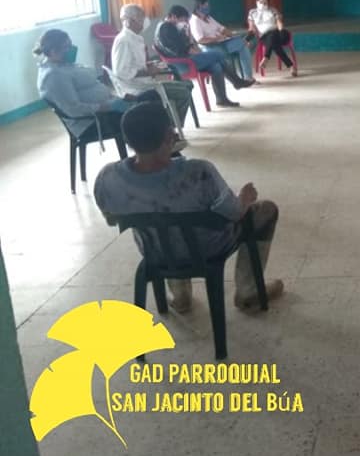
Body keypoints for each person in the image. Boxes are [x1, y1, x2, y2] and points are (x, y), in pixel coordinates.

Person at [94, 102, 285, 313]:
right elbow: (235, 213)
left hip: (155, 251)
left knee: (165, 229)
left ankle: (180, 295)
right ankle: (249, 291)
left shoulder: (108, 178)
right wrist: (244, 198)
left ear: (128, 140)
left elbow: (111, 219)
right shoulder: (198, 172)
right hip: (208, 248)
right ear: (170, 136)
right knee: (266, 210)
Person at [35, 28, 134, 140]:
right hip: (91, 122)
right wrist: (108, 106)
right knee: (139, 116)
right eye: (67, 47)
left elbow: (91, 84)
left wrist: (115, 98)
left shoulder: (64, 64)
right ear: (53, 51)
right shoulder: (54, 76)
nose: (71, 49)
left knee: (146, 99)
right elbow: (74, 109)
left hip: (104, 110)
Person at [112, 4, 194, 127]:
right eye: (141, 17)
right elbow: (121, 71)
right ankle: (169, 128)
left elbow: (134, 63)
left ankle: (168, 122)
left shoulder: (135, 38)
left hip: (147, 79)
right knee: (183, 93)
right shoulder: (124, 40)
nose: (144, 21)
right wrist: (147, 71)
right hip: (137, 86)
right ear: (129, 21)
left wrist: (149, 65)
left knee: (187, 84)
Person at [156, 5, 254, 108]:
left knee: (216, 67)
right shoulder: (167, 28)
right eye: (182, 20)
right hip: (182, 64)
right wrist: (190, 47)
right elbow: (178, 50)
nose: (183, 22)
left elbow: (181, 46)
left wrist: (188, 38)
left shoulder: (164, 25)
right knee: (218, 54)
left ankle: (222, 100)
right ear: (173, 16)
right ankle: (237, 81)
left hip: (181, 61)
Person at [189, 0, 256, 80]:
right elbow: (200, 40)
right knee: (243, 45)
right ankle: (243, 78)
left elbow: (221, 28)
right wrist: (217, 38)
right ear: (197, 7)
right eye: (205, 6)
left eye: (207, 5)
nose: (207, 7)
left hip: (222, 42)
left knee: (245, 42)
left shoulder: (208, 18)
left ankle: (248, 77)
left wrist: (231, 34)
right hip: (210, 46)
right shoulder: (194, 21)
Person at [247, 0, 296, 77]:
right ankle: (291, 66)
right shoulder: (252, 12)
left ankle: (266, 57)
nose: (263, 4)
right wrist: (248, 38)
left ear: (268, 3)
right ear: (256, 2)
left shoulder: (272, 10)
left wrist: (281, 31)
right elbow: (251, 28)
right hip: (264, 37)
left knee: (273, 35)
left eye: (265, 3)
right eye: (261, 2)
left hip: (278, 33)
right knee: (274, 43)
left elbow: (279, 22)